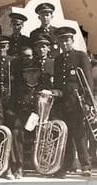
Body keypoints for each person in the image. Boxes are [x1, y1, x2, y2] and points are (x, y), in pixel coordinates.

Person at [52, 26, 93, 177]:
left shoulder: (81, 56)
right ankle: (69, 165)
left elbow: (88, 81)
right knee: (66, 134)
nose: (64, 43)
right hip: (62, 102)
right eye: (61, 40)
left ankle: (86, 165)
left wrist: (88, 102)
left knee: (79, 133)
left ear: (72, 40)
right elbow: (57, 82)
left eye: (66, 40)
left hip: (77, 101)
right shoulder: (58, 60)